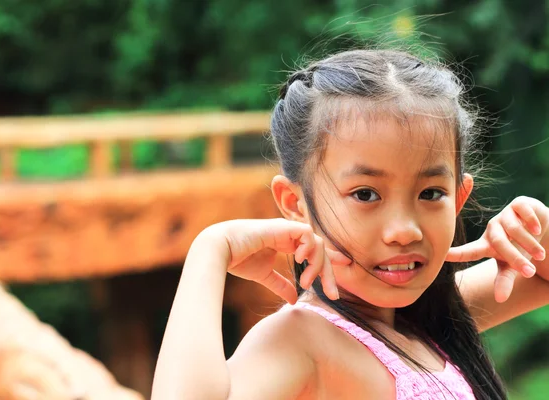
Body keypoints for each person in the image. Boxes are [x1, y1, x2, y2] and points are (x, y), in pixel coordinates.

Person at [151, 49, 549, 399]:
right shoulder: (302, 341)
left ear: (459, 198)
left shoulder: (435, 321)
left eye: (430, 194)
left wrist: (538, 229)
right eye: (365, 195)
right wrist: (210, 250)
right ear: (295, 203)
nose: (404, 230)